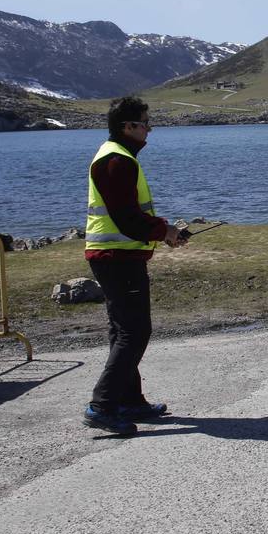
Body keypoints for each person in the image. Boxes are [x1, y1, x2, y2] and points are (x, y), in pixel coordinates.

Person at [82, 96, 187, 436]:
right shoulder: (117, 161)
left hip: (118, 255)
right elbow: (126, 218)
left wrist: (162, 233)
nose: (149, 130)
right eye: (145, 123)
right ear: (127, 127)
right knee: (134, 332)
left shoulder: (118, 157)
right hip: (117, 257)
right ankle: (102, 405)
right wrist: (165, 232)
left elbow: (129, 216)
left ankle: (129, 399)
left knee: (122, 330)